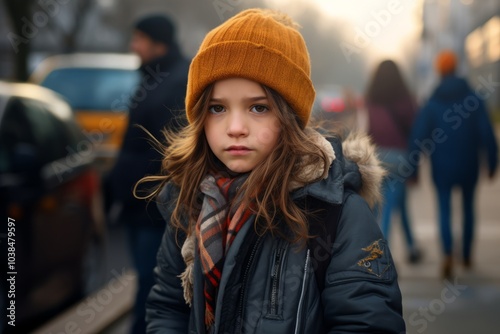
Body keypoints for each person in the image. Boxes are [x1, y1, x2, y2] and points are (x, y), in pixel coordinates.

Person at [141, 9, 405, 333]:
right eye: (218, 108)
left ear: (289, 117)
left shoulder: (335, 213)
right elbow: (167, 307)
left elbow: (367, 323)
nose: (235, 127)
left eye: (258, 107)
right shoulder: (190, 202)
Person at [105, 14, 190, 334]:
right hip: (136, 201)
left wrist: (148, 188)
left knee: (154, 280)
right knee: (145, 276)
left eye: (139, 39)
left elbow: (176, 149)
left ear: (159, 44)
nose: (133, 46)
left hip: (155, 206)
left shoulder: (179, 80)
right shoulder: (154, 75)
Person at [409, 50, 498, 278]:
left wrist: (413, 167)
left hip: (442, 166)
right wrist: (492, 162)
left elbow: (418, 136)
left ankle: (448, 253)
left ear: (439, 71)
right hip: (469, 164)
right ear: (457, 68)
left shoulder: (433, 102)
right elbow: (486, 132)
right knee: (469, 208)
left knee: (444, 209)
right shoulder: (473, 99)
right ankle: (467, 254)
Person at [364, 59, 422, 263]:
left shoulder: (371, 99)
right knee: (390, 206)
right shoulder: (407, 101)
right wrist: (415, 170)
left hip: (378, 157)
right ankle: (382, 256)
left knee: (388, 205)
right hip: (401, 159)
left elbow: (367, 131)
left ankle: (412, 247)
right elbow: (415, 136)